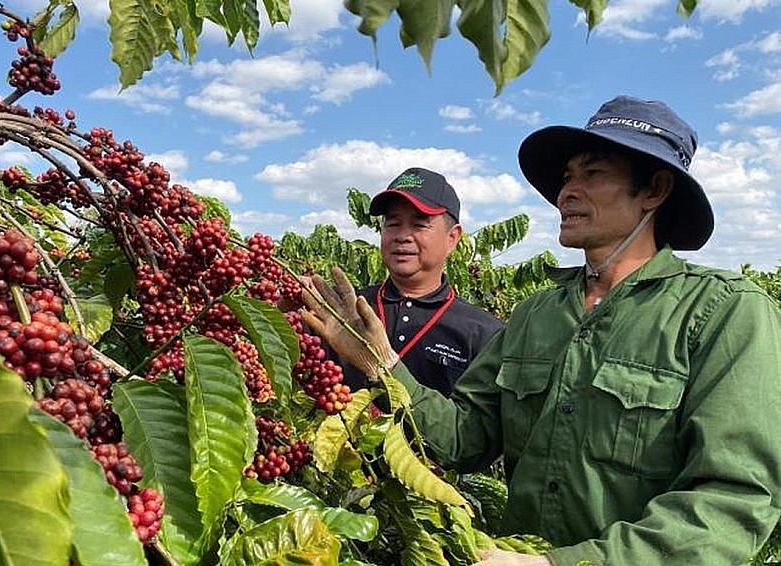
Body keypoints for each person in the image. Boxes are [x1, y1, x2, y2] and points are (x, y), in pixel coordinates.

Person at [301, 96, 781, 565]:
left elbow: (735, 499)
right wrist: (380, 362)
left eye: (593, 174)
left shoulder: (724, 312)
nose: (566, 192)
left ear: (653, 190)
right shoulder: (536, 315)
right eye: (568, 177)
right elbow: (463, 438)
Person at [336, 166, 503, 396]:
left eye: (419, 224)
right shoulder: (345, 310)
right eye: (393, 224)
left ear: (452, 238)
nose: (402, 236)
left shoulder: (483, 332)